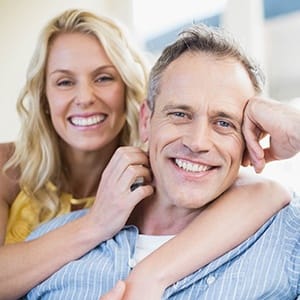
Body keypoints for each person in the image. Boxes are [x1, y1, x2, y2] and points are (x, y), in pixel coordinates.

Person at [26, 24, 300, 299]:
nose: (197, 142)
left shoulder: (287, 236)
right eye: (180, 114)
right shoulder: (48, 246)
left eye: (224, 122)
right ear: (146, 120)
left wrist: (295, 124)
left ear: (248, 138)